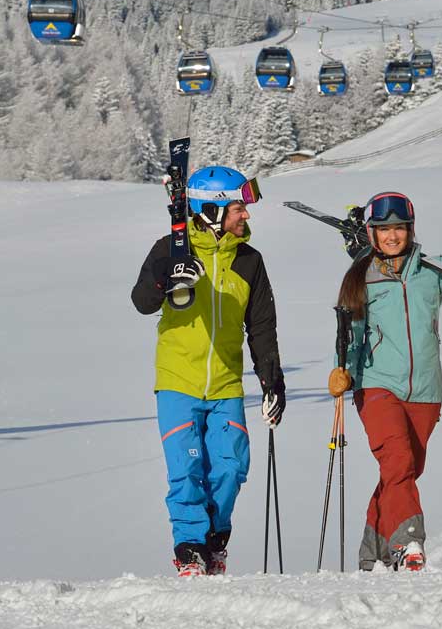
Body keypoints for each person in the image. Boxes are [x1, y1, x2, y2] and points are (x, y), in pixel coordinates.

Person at [328, 191, 442, 573]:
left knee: (401, 473)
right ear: (371, 233)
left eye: (399, 228)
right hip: (375, 384)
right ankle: (408, 544)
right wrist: (342, 374)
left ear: (410, 230)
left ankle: (372, 555)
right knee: (399, 461)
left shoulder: (429, 270)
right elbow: (349, 336)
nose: (392, 236)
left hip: (425, 391)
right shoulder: (359, 278)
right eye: (384, 229)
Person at [131, 165, 286, 578]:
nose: (246, 216)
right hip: (177, 380)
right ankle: (189, 547)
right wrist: (165, 277)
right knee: (186, 470)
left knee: (231, 468)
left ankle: (214, 539)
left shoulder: (249, 261)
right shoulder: (170, 249)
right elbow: (142, 302)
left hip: (225, 382)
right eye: (239, 207)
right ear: (213, 211)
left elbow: (262, 326)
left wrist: (272, 380)